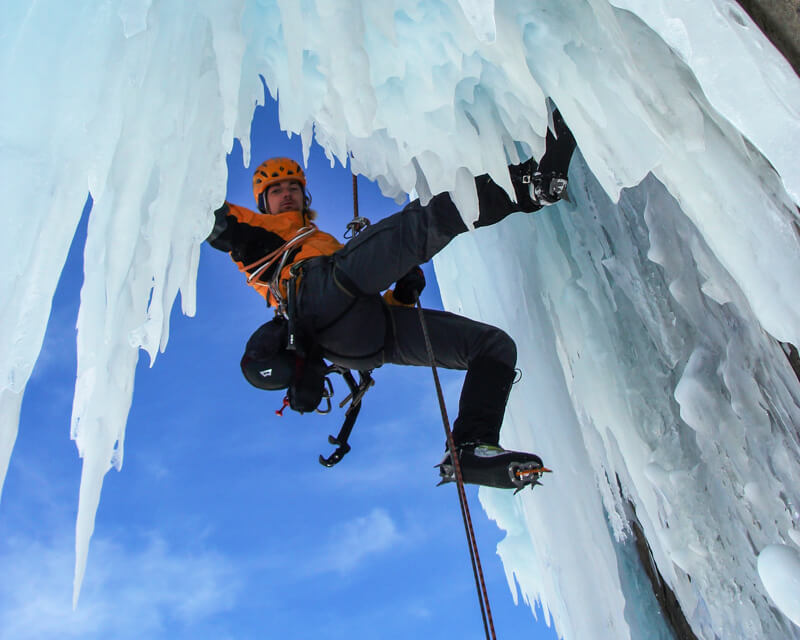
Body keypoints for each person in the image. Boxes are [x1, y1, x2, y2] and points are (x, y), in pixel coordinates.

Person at [207, 111, 576, 489]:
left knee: (493, 347)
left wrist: (399, 294)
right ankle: (531, 186)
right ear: (262, 202)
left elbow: (367, 307)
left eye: (292, 187)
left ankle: (468, 447)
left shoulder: (319, 239)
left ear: (304, 195)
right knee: (425, 223)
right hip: (319, 294)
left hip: (354, 343)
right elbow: (208, 214)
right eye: (276, 190)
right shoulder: (257, 231)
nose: (286, 194)